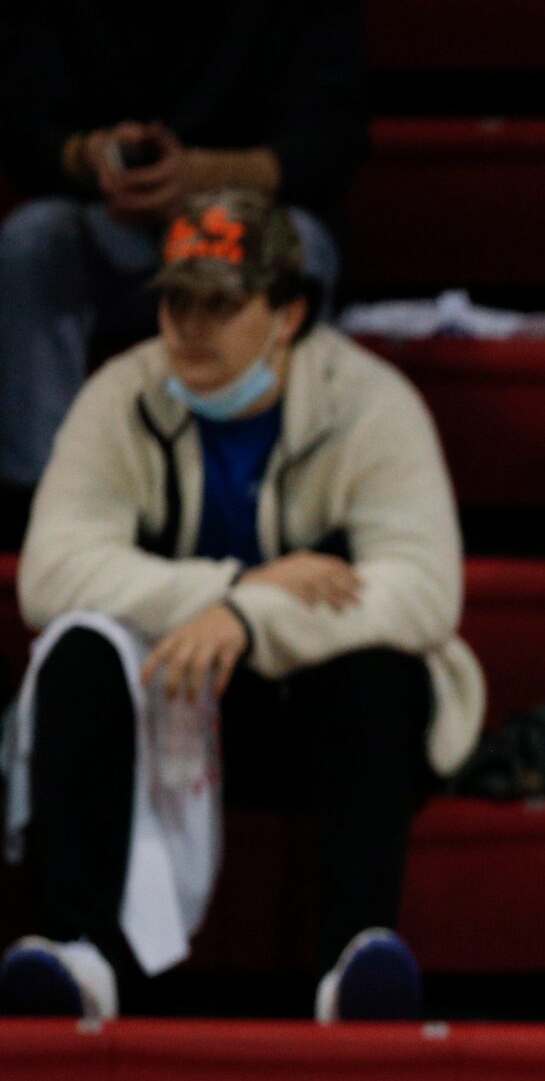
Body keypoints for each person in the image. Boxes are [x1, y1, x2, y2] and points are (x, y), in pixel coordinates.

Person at [1, 192, 482, 1025]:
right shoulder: (122, 395)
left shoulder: (372, 402)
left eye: (220, 305)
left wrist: (255, 625)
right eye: (175, 300)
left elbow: (425, 589)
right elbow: (50, 572)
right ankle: (82, 956)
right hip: (168, 694)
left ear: (289, 312)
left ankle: (353, 961)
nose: (189, 325)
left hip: (301, 718)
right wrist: (237, 592)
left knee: (377, 667)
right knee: (79, 646)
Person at [0, 0, 367, 538]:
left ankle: (273, 512)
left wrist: (212, 176)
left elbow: (334, 137)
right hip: (106, 216)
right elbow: (22, 121)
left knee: (294, 243)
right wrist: (88, 156)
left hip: (253, 213)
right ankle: (44, 518)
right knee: (30, 242)